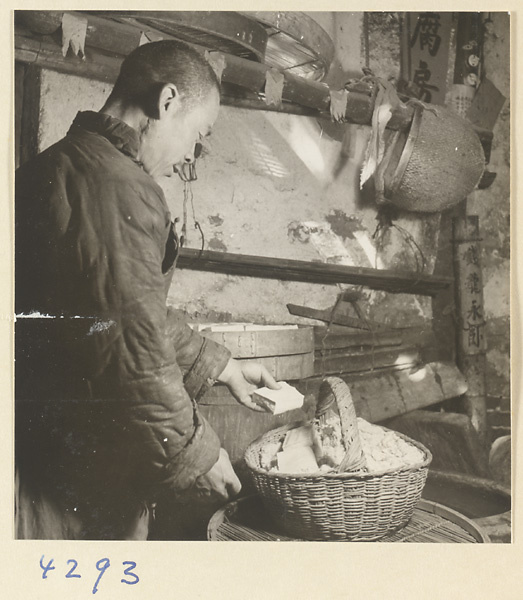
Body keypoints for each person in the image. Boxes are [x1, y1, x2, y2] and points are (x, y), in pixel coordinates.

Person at [15, 39, 279, 540]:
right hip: (66, 478)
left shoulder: (63, 164)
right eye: (198, 134)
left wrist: (221, 366)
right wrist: (198, 454)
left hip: (37, 443)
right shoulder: (119, 186)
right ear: (167, 101)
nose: (190, 156)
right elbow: (131, 345)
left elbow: (119, 307)